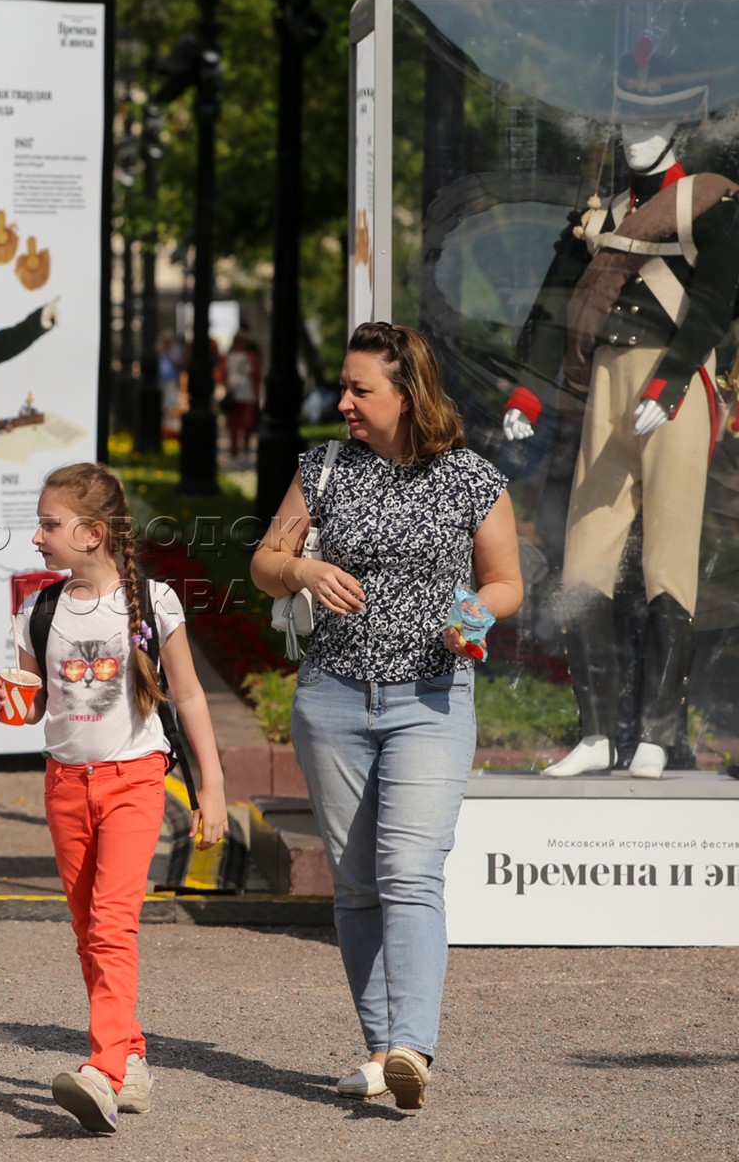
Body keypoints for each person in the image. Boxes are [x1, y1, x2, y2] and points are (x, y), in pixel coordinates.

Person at [251, 322, 522, 1111]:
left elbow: (505, 581)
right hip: (332, 699)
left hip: (431, 701)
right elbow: (265, 563)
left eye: (359, 389)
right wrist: (303, 569)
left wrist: (473, 615)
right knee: (356, 883)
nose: (343, 401)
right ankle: (382, 1053)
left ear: (407, 396)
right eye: (344, 386)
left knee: (409, 871)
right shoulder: (324, 468)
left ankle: (412, 1045)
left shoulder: (472, 478)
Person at [504, 49, 739, 780]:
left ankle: (657, 734)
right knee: (585, 558)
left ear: (678, 127)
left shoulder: (711, 202)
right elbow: (553, 310)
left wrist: (668, 385)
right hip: (606, 387)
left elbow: (715, 303)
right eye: (626, 122)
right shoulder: (599, 217)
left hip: (674, 385)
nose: (634, 136)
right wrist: (527, 394)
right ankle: (595, 734)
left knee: (667, 559)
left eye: (650, 122)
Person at [0, 462, 227, 1135]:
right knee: (86, 931)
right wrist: (4, 700)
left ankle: (101, 1070)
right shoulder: (39, 610)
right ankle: (132, 1054)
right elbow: (30, 705)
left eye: (49, 524)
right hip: (66, 784)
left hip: (134, 780)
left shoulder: (154, 603)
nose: (37, 536)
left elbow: (189, 695)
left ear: (93, 533)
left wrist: (212, 786)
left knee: (112, 925)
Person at [222, 330, 262, 459]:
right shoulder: (228, 356)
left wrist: (257, 393)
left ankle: (246, 447)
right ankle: (234, 450)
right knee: (233, 424)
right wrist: (227, 386)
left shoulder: (250, 357)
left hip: (248, 394)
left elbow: (257, 375)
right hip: (233, 395)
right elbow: (221, 373)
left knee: (247, 423)